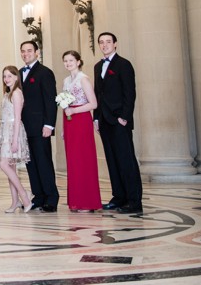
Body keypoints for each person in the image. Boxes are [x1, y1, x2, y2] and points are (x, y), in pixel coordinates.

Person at [94, 32, 143, 214]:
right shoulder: (98, 66)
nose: (105, 45)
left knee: (126, 160)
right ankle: (118, 197)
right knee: (112, 160)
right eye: (101, 42)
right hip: (104, 121)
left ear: (115, 44)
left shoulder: (124, 64)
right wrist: (96, 118)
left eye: (108, 42)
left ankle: (134, 201)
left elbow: (130, 93)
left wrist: (125, 117)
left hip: (119, 120)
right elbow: (98, 93)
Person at [19, 40, 59, 212]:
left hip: (40, 126)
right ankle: (39, 196)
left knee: (43, 162)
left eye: (29, 50)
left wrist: (49, 124)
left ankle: (51, 197)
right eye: (23, 51)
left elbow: (50, 101)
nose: (26, 54)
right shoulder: (19, 73)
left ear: (37, 52)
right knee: (31, 163)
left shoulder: (45, 73)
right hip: (24, 127)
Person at [61, 50, 102, 212]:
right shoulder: (66, 80)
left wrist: (74, 111)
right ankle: (76, 201)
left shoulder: (83, 79)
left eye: (71, 60)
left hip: (81, 120)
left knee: (84, 159)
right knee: (73, 161)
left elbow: (93, 104)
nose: (68, 63)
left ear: (78, 62)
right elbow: (64, 103)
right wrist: (64, 126)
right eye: (65, 61)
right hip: (69, 121)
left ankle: (88, 201)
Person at [0, 66, 33, 213]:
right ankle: (15, 201)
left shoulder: (17, 93)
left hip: (13, 131)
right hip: (5, 130)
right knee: (10, 167)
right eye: (5, 76)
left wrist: (15, 140)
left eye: (10, 76)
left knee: (4, 163)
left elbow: (18, 117)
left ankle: (24, 195)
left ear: (16, 77)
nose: (6, 79)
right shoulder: (7, 93)